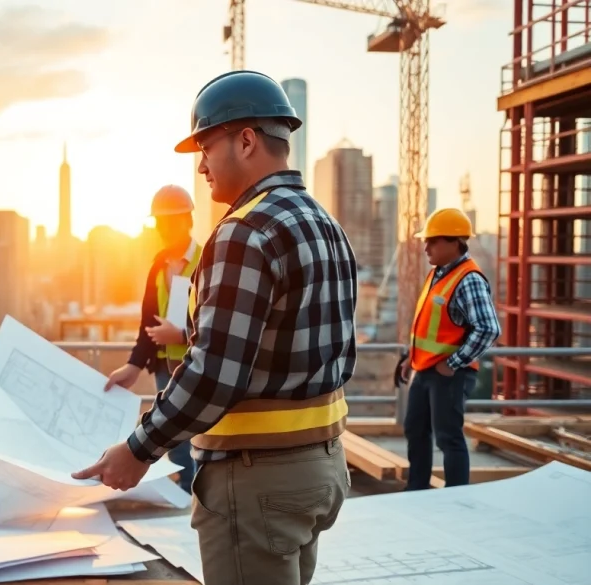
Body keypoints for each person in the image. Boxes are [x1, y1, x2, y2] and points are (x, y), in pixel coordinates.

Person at [73, 70, 358, 585]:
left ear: (246, 140)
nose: (200, 166)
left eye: (206, 146)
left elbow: (212, 374)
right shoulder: (325, 224)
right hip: (322, 467)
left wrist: (138, 450)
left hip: (257, 479)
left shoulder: (244, 232)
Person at [104, 184, 201, 493]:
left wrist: (182, 334)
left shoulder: (208, 259)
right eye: (160, 223)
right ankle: (187, 496)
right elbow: (148, 322)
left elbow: (221, 320)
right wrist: (133, 367)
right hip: (165, 369)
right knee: (176, 439)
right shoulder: (158, 267)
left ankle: (202, 497)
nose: (164, 229)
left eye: (170, 221)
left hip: (199, 366)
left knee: (201, 435)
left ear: (187, 221)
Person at [401, 208, 500, 490]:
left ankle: (455, 497)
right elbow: (427, 324)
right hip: (425, 369)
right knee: (415, 430)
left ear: (455, 242)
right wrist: (411, 358)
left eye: (432, 241)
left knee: (448, 438)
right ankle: (416, 489)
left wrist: (453, 363)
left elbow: (489, 328)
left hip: (448, 374)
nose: (425, 247)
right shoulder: (438, 274)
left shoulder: (468, 279)